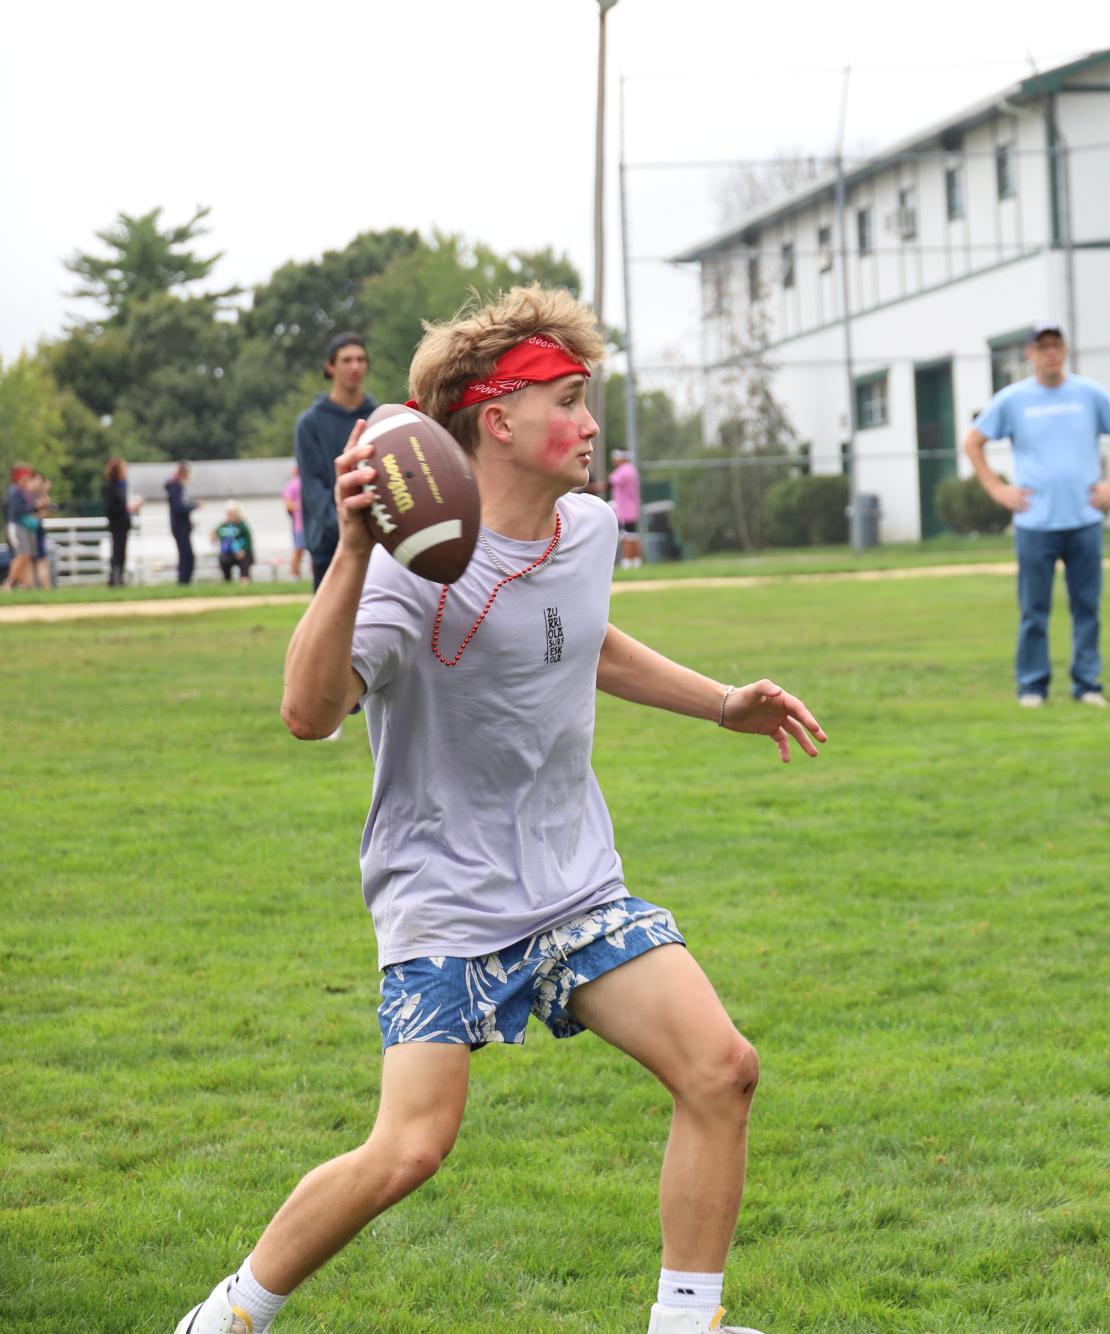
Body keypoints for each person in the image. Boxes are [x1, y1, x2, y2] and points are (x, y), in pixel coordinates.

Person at [177, 287, 825, 1334]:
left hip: (574, 882)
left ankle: (686, 1321)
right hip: (444, 896)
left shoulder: (585, 528)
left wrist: (720, 702)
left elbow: (584, 636)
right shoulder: (401, 575)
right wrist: (349, 551)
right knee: (409, 1148)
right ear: (497, 420)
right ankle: (230, 1313)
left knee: (721, 1066)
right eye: (567, 399)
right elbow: (307, 713)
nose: (588, 421)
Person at [962, 321, 1110, 708]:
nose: (1050, 353)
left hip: (1084, 520)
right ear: (1030, 354)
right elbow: (974, 442)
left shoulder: (1089, 394)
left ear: (1065, 350)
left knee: (1087, 607)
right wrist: (997, 488)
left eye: (1056, 345)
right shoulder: (1013, 399)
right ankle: (1032, 687)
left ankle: (1088, 685)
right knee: (1034, 611)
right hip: (1035, 524)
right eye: (1042, 347)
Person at [295, 331, 378, 589]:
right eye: (346, 360)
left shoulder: (378, 416)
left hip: (376, 545)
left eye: (360, 359)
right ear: (330, 366)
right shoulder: (310, 423)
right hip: (328, 546)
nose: (355, 366)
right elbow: (314, 489)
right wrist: (345, 529)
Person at [102, 457, 141, 586]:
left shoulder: (123, 485)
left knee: (122, 552)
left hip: (123, 523)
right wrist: (128, 508)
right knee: (117, 552)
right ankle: (115, 579)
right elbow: (112, 508)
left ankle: (119, 578)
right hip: (117, 523)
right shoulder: (111, 487)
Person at [165, 461, 201, 585]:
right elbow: (179, 508)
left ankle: (185, 581)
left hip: (183, 526)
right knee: (186, 556)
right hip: (180, 526)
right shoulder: (176, 487)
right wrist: (194, 505)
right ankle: (183, 581)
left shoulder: (178, 487)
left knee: (187, 555)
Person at [610, 447, 643, 569]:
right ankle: (636, 562)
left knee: (627, 537)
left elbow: (610, 484)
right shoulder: (632, 470)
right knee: (634, 536)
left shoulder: (623, 470)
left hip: (624, 510)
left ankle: (627, 563)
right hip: (632, 508)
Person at [214, 502, 255, 582]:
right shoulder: (224, 525)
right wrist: (213, 536)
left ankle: (245, 580)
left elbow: (248, 540)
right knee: (224, 561)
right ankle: (227, 581)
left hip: (243, 552)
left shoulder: (242, 525)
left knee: (244, 561)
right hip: (229, 553)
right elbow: (216, 533)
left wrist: (243, 550)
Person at [281, 464, 305, 580]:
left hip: (306, 524)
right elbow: (287, 504)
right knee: (298, 550)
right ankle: (295, 575)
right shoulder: (292, 485)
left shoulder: (306, 482)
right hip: (299, 525)